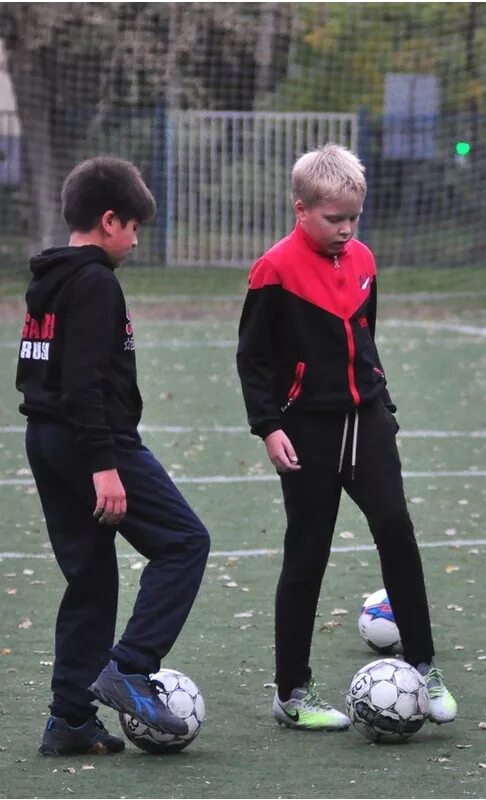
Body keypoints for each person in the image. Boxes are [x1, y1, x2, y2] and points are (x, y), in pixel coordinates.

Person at [236, 144, 456, 732]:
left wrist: (379, 400)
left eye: (353, 218)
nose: (346, 229)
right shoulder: (273, 270)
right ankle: (292, 692)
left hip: (368, 425)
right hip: (306, 432)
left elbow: (366, 337)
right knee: (307, 553)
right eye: (334, 218)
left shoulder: (363, 259)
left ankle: (424, 667)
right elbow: (253, 360)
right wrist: (269, 425)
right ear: (300, 208)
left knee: (397, 532)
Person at [16, 156, 211, 756]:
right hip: (91, 441)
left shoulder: (48, 277)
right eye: (132, 227)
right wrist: (105, 464)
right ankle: (130, 666)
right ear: (108, 220)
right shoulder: (96, 281)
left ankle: (69, 720)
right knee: (184, 543)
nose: (134, 240)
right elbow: (82, 383)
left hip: (47, 441)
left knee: (92, 582)